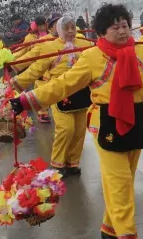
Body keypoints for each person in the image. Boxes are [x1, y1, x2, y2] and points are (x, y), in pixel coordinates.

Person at [10, 4, 143, 239]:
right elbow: (63, 84)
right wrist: (27, 100)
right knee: (120, 181)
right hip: (107, 121)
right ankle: (127, 233)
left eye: (125, 25)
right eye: (116, 28)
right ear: (103, 32)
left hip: (137, 118)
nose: (123, 31)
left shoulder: (140, 52)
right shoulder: (92, 56)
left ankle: (110, 228)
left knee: (126, 177)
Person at [11, 16, 93, 176]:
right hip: (59, 91)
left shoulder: (85, 45)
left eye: (73, 27)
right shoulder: (50, 47)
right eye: (66, 28)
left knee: (80, 130)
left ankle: (73, 163)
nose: (70, 31)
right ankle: (58, 163)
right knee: (66, 129)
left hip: (82, 93)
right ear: (59, 30)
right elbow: (36, 68)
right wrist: (14, 83)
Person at [12, 12, 62, 124]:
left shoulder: (55, 36)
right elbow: (23, 50)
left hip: (52, 67)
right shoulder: (31, 37)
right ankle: (42, 113)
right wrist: (12, 59)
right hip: (37, 66)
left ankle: (53, 110)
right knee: (41, 90)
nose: (42, 27)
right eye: (40, 25)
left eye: (43, 24)